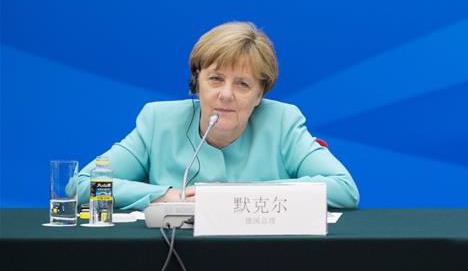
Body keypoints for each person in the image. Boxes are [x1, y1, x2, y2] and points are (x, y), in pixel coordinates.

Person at [77, 22, 360, 211]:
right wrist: (163, 196)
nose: (226, 95)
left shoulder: (283, 122)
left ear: (260, 95)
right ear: (196, 82)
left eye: (243, 84)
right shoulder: (158, 121)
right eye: (215, 79)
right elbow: (81, 185)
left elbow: (344, 189)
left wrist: (233, 195)